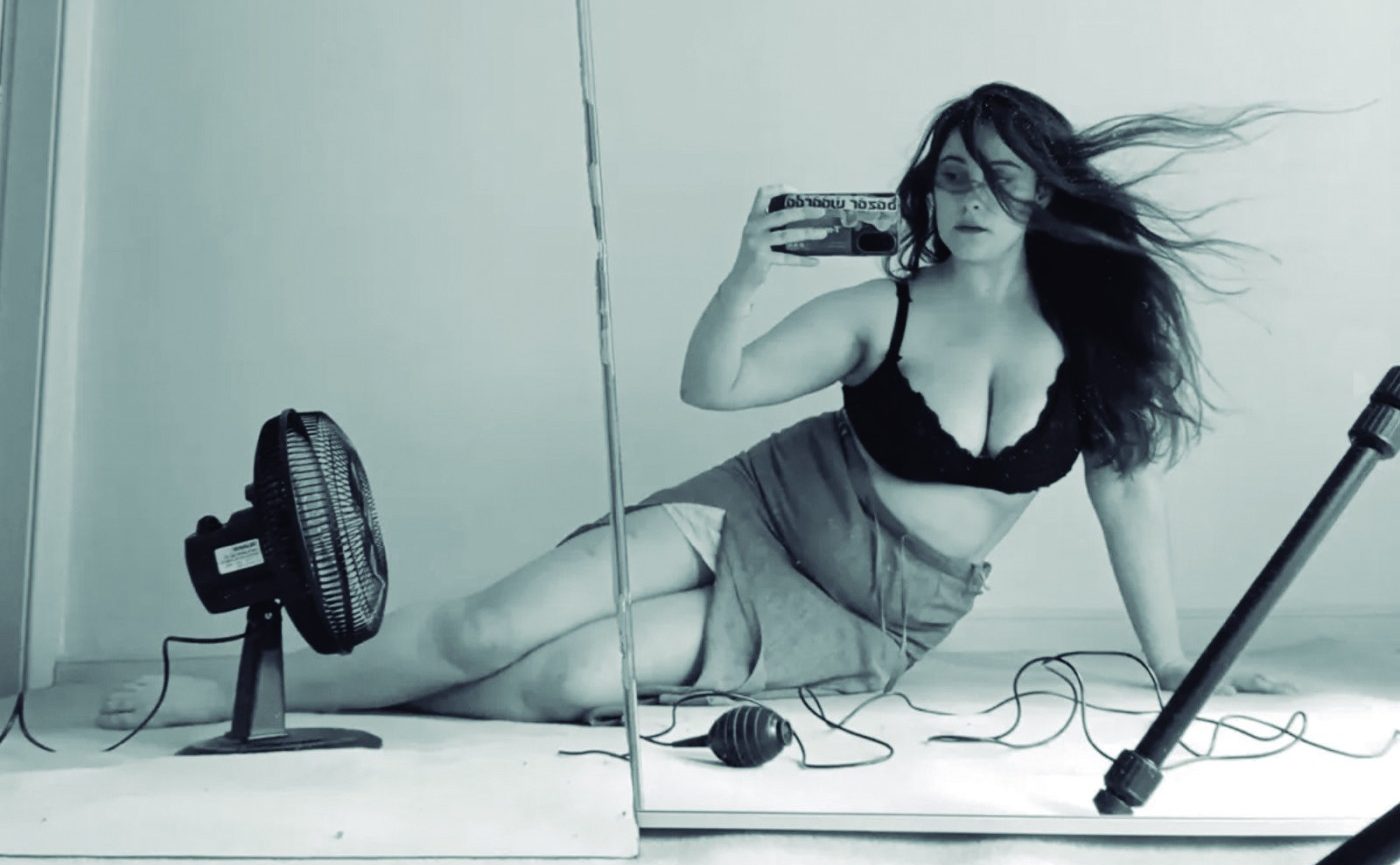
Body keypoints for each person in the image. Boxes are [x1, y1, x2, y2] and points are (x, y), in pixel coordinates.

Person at [98, 82, 1298, 732]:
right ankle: (226, 690)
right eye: (950, 176)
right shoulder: (876, 308)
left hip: (864, 614)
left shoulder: (1094, 339)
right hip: (752, 510)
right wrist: (745, 277)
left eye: (997, 176)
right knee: (487, 626)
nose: (969, 197)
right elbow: (711, 387)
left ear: (1043, 191)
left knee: (565, 681)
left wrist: (1172, 661)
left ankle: (317, 699)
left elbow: (1126, 502)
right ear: (924, 195)